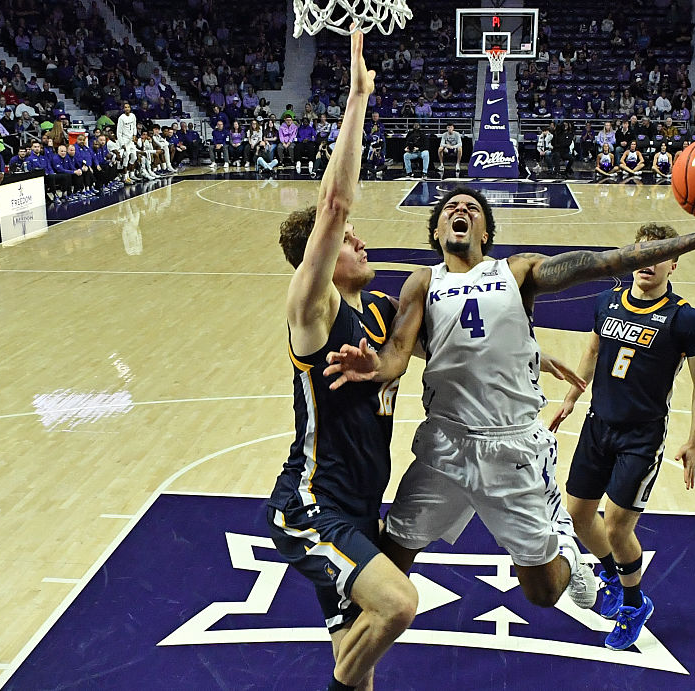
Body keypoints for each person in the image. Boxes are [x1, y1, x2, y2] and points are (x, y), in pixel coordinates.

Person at [322, 184, 695, 618]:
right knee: (393, 556)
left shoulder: (517, 271)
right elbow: (399, 349)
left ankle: (564, 538)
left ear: (485, 232)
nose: (460, 209)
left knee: (542, 592)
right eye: (450, 207)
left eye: (472, 208)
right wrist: (374, 368)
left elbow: (604, 262)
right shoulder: (423, 282)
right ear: (436, 232)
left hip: (512, 448)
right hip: (445, 444)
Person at [267, 32, 418, 691]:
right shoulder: (314, 310)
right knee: (400, 602)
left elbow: (421, 354)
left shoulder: (379, 312)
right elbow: (334, 204)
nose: (360, 241)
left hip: (360, 504)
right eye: (350, 242)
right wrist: (357, 99)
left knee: (360, 666)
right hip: (311, 503)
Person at [548, 221, 695, 650]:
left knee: (619, 526)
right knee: (580, 513)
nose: (647, 263)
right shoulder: (607, 302)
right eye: (641, 254)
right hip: (597, 424)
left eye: (658, 255)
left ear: (673, 264)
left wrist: (694, 441)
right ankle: (611, 571)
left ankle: (634, 602)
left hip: (641, 436)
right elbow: (593, 350)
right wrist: (570, 397)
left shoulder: (685, 319)